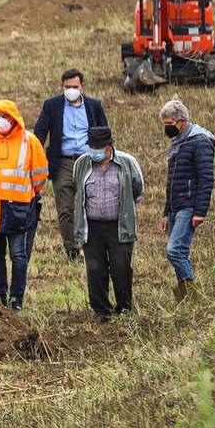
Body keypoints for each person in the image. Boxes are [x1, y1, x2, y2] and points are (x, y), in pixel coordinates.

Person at [31, 68, 109, 262]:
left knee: (93, 206)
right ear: (62, 86)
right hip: (62, 162)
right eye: (67, 87)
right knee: (65, 209)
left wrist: (106, 158)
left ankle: (93, 246)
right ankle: (72, 250)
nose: (71, 90)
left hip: (88, 162)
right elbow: (40, 131)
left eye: (75, 87)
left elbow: (105, 132)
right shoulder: (52, 105)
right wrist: (32, 153)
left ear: (82, 86)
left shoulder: (94, 106)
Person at [0, 99, 48, 311]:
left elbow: (40, 176)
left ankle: (16, 299)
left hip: (18, 209)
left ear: (14, 118)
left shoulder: (30, 141)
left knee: (19, 256)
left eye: (5, 116)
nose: (1, 121)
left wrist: (24, 196)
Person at [72, 125, 144, 321]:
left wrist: (127, 209)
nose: (95, 151)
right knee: (95, 270)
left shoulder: (127, 163)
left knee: (121, 268)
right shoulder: (81, 164)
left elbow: (137, 189)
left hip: (118, 225)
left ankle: (124, 308)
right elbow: (77, 186)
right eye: (92, 146)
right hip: (92, 227)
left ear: (110, 146)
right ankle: (101, 311)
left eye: (99, 147)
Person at [160, 98, 215, 302]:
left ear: (181, 121)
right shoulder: (178, 143)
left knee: (174, 250)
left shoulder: (200, 142)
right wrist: (167, 211)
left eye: (169, 124)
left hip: (189, 206)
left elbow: (206, 178)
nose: (166, 129)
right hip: (176, 206)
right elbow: (172, 181)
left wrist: (200, 211)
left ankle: (193, 296)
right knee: (180, 251)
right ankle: (185, 297)